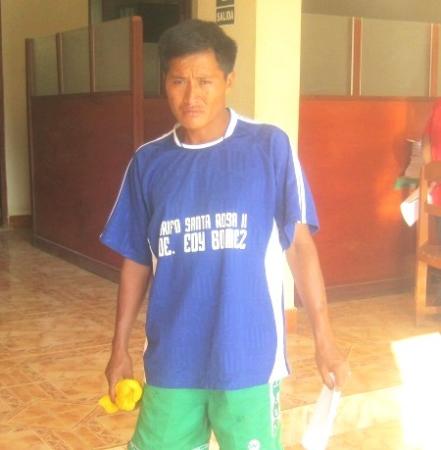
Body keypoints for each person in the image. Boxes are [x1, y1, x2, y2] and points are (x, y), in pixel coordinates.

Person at [100, 19, 350, 450]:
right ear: (164, 83)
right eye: (178, 81)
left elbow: (299, 248)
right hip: (173, 358)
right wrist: (118, 347)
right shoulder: (149, 163)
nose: (190, 96)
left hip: (247, 358)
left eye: (204, 81)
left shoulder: (269, 147)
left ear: (229, 80)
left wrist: (324, 339)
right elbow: (136, 260)